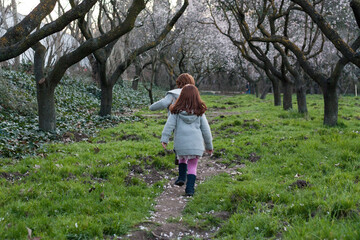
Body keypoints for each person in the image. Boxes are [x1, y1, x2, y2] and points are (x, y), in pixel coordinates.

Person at [161, 84, 213, 196]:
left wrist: (165, 139)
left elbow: (168, 126)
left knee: (182, 158)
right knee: (193, 166)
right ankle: (190, 189)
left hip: (181, 144)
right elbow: (206, 131)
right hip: (196, 145)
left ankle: (181, 177)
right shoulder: (200, 113)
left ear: (181, 96)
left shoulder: (175, 112)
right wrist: (209, 146)